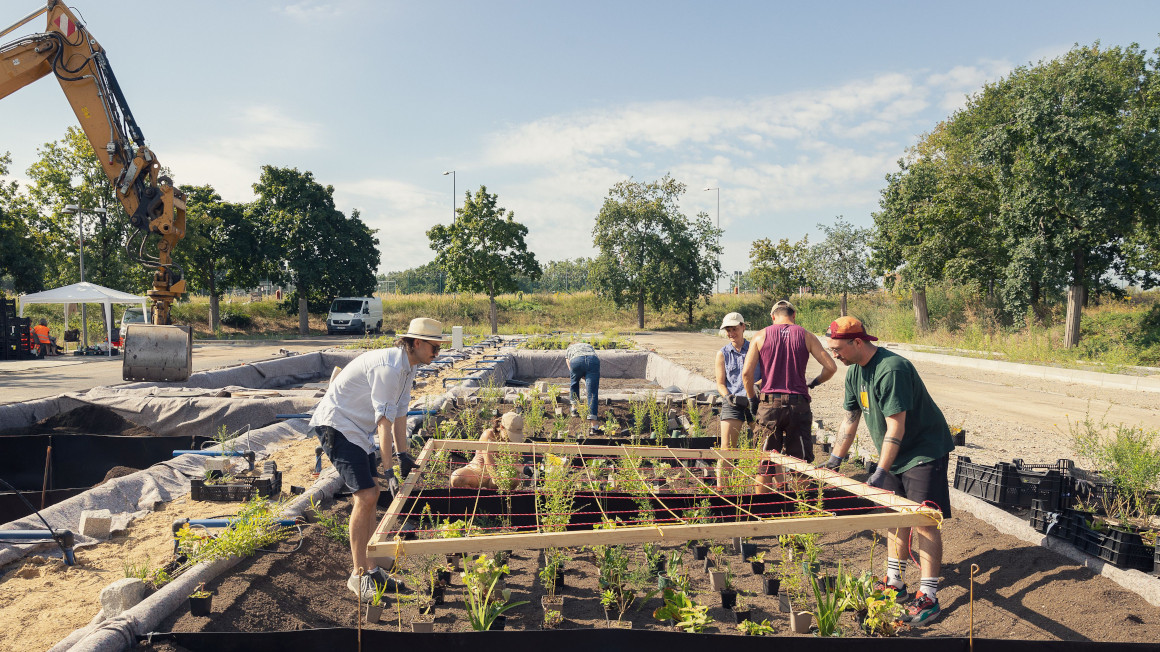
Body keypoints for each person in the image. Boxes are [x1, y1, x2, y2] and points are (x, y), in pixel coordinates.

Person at [823, 316, 954, 627]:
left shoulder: (891, 369)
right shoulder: (854, 372)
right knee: (894, 515)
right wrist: (833, 462)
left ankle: (929, 596)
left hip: (922, 451)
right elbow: (850, 420)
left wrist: (881, 470)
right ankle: (895, 581)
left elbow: (897, 424)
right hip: (892, 453)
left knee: (923, 522)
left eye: (837, 349)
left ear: (857, 342)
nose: (834, 355)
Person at [310, 317, 447, 601]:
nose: (437, 353)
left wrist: (403, 454)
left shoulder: (407, 369)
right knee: (367, 495)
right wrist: (389, 471)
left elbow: (400, 416)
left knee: (370, 493)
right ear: (417, 343)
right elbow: (384, 422)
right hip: (337, 425)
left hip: (357, 430)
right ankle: (358, 575)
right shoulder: (388, 367)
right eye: (435, 347)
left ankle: (371, 567)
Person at [741, 300, 836, 491]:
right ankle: (802, 512)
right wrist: (814, 382)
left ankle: (763, 514)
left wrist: (752, 399)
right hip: (798, 406)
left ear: (773, 316)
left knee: (765, 465)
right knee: (801, 466)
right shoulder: (806, 336)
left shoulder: (761, 336)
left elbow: (746, 374)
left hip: (769, 406)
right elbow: (831, 367)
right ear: (794, 315)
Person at [713, 312, 762, 490]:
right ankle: (721, 489)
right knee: (726, 447)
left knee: (764, 443)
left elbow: (766, 376)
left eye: (734, 329)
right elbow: (720, 383)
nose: (731, 333)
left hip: (754, 401)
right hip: (733, 402)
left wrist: (755, 386)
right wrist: (728, 396)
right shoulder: (723, 354)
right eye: (728, 330)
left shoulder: (756, 350)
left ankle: (771, 485)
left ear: (743, 327)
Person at [449, 411, 526, 489]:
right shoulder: (489, 435)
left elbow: (514, 463)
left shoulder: (513, 441)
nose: (511, 438)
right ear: (502, 427)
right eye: (510, 434)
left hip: (500, 473)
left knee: (513, 479)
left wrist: (526, 469)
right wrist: (498, 481)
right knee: (457, 478)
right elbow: (490, 466)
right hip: (478, 471)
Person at [565, 341, 600, 421]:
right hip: (593, 360)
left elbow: (569, 364)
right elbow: (589, 358)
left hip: (576, 360)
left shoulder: (570, 348)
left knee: (574, 383)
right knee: (592, 392)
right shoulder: (588, 345)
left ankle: (574, 408)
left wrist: (575, 374)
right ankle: (594, 424)